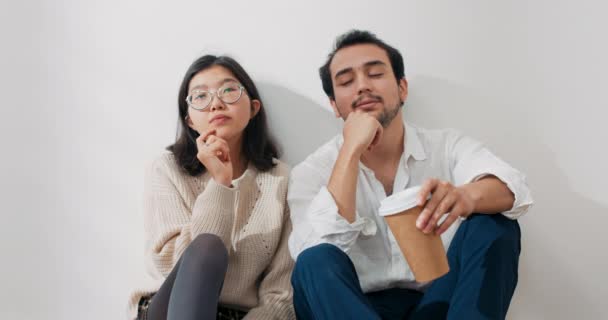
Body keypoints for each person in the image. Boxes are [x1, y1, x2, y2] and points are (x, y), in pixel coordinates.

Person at [288, 30, 534, 320]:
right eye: (346, 81)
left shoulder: (446, 146)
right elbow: (313, 259)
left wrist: (464, 197)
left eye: (375, 74)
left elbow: (513, 189)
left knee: (494, 222)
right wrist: (351, 151)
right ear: (333, 104)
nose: (363, 86)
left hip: (437, 304)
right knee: (314, 259)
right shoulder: (311, 171)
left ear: (402, 88)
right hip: (353, 307)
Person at [128, 55, 295, 320]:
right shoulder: (167, 168)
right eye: (200, 97)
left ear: (253, 108)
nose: (216, 103)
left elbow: (281, 294)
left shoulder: (281, 179)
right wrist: (220, 184)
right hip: (168, 311)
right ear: (190, 121)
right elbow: (172, 265)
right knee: (207, 246)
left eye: (229, 90)